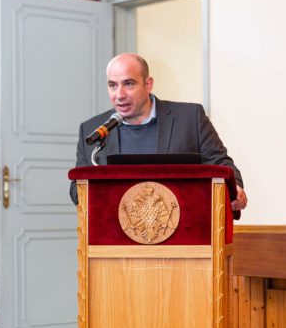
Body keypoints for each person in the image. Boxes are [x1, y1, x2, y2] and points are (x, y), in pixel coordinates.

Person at [70, 53, 247, 211]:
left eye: (129, 84)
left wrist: (235, 189)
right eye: (112, 85)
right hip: (117, 233)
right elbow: (77, 189)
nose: (120, 94)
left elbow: (222, 164)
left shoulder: (189, 119)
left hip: (182, 230)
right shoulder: (93, 130)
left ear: (148, 84)